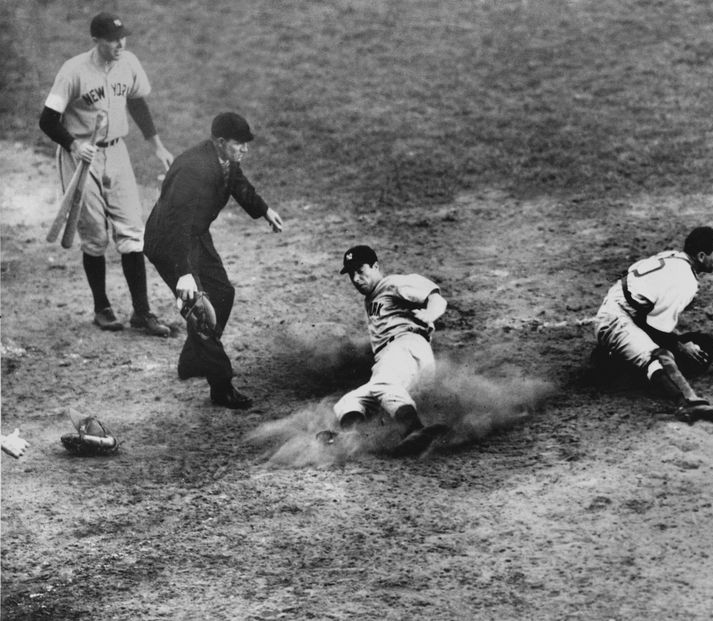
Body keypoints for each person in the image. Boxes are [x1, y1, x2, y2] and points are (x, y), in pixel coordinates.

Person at [38, 12, 173, 336]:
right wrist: (72, 145)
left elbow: (137, 102)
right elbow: (47, 120)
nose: (120, 44)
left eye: (122, 37)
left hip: (117, 154)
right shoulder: (73, 71)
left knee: (131, 232)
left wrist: (156, 146)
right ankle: (102, 307)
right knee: (95, 235)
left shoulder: (128, 62)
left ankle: (142, 313)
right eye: (113, 40)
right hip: (82, 157)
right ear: (96, 40)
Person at [144, 112, 283, 409]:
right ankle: (221, 386)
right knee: (199, 309)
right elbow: (174, 221)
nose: (244, 150)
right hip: (170, 242)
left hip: (195, 235)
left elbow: (238, 183)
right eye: (239, 144)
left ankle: (192, 361)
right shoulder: (192, 168)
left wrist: (264, 210)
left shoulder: (226, 160)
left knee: (222, 293)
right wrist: (183, 273)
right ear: (220, 142)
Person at [317, 245, 449, 456]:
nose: (356, 278)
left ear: (376, 266)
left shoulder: (392, 284)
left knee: (383, 385)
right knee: (348, 402)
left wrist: (430, 315)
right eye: (351, 273)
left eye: (361, 271)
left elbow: (437, 299)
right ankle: (353, 437)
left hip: (406, 347)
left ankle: (417, 432)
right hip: (394, 364)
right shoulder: (372, 298)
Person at [592, 226, 713, 424]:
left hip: (624, 308)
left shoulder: (674, 257)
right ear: (701, 256)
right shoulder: (685, 281)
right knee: (660, 356)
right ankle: (687, 402)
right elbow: (658, 330)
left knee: (700, 344)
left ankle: (614, 359)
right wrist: (682, 346)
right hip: (616, 319)